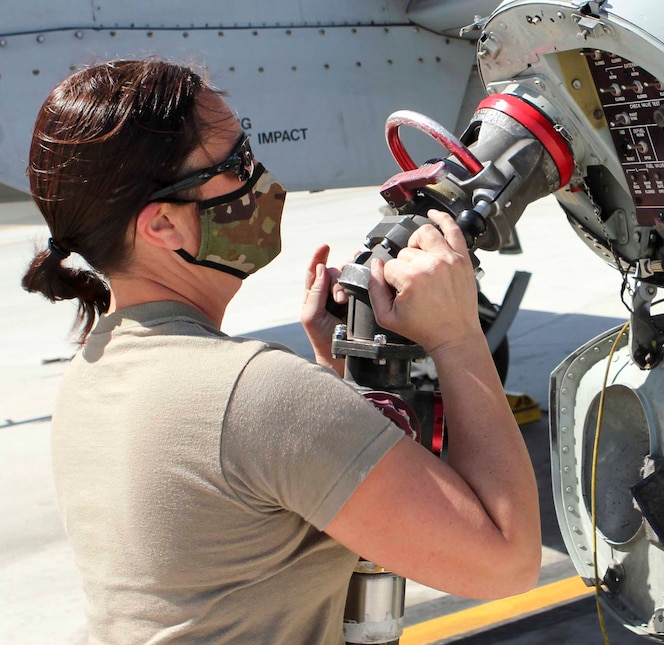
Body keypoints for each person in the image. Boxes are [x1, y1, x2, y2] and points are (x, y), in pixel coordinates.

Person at [20, 59, 541, 643]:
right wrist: (457, 336)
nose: (261, 177)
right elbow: (506, 560)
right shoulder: (254, 395)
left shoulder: (96, 370)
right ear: (162, 224)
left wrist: (331, 380)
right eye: (235, 163)